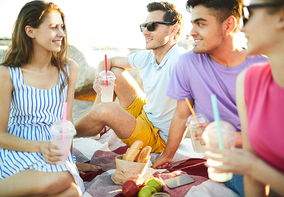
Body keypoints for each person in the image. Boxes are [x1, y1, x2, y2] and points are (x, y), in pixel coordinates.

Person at [152, 0, 267, 195]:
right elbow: (181, 115)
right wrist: (167, 155)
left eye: (201, 24)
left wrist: (234, 137)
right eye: (192, 23)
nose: (192, 32)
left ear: (228, 25)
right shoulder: (187, 64)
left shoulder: (262, 68)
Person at [0, 1, 85, 196]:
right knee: (64, 179)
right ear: (30, 31)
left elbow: (67, 121)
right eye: (53, 28)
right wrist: (40, 146)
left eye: (62, 27)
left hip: (53, 149)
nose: (62, 34)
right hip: (16, 147)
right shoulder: (7, 73)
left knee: (73, 192)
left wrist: (71, 158)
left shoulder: (69, 69)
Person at [75, 2, 184, 154]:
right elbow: (107, 62)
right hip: (146, 113)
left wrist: (168, 154)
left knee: (107, 109)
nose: (145, 32)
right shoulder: (147, 56)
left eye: (152, 26)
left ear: (173, 29)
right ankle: (95, 119)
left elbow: (187, 112)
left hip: (158, 136)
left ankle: (64, 135)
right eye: (144, 26)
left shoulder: (179, 63)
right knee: (114, 72)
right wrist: (101, 78)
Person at [204, 0, 284, 196]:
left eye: (249, 14)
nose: (242, 27)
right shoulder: (250, 81)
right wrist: (250, 168)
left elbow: (252, 167)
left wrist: (252, 167)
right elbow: (253, 178)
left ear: (281, 17)